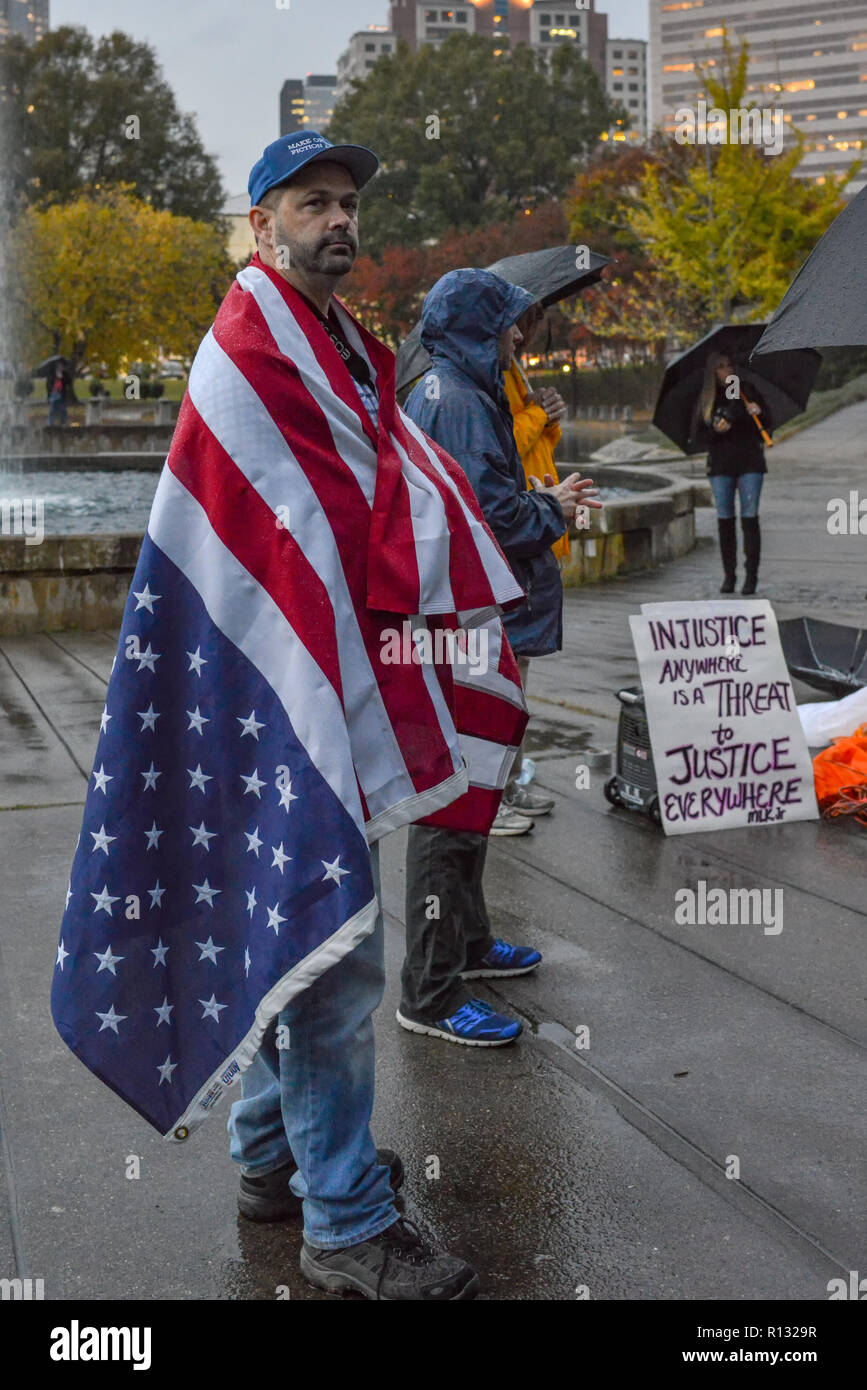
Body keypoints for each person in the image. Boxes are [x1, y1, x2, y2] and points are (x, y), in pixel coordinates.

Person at [396, 269, 600, 1047]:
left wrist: (544, 499)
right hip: (468, 628)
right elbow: (485, 517)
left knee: (472, 797)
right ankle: (430, 990)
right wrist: (555, 507)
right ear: (482, 325)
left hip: (470, 623)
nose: (522, 334)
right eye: (512, 322)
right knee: (452, 805)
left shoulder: (454, 388)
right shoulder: (458, 397)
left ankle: (467, 947)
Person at [502, 303, 571, 817]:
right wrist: (537, 415)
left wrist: (550, 420)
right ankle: (500, 785)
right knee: (509, 670)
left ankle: (510, 779)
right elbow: (506, 444)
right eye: (516, 322)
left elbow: (534, 448)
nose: (522, 333)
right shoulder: (487, 381)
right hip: (519, 533)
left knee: (519, 669)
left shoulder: (512, 373)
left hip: (537, 526)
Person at [696, 351, 769, 596]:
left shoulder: (746, 390)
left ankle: (751, 577)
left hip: (750, 462)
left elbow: (767, 422)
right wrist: (717, 430)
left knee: (750, 519)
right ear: (713, 372)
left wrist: (758, 412)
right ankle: (729, 575)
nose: (726, 370)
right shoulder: (708, 399)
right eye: (720, 367)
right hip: (721, 466)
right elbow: (699, 436)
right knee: (725, 521)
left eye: (729, 366)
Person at [46, 357, 74, 427]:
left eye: (61, 366)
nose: (60, 367)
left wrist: (63, 377)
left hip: (62, 394)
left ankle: (63, 422)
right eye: (59, 365)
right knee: (52, 409)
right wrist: (51, 390)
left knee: (63, 409)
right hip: (54, 394)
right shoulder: (52, 374)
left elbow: (69, 382)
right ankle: (50, 423)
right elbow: (48, 384)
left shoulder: (65, 374)